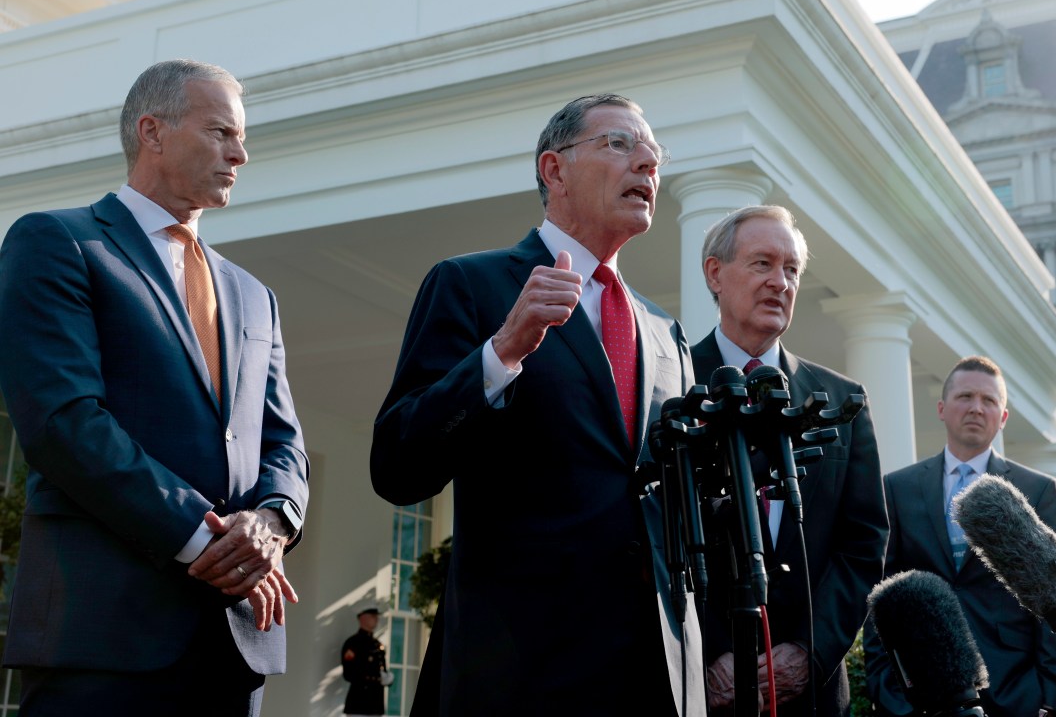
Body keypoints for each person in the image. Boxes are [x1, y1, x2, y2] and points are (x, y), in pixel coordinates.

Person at [371, 94, 703, 716]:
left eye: (654, 155)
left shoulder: (665, 332)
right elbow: (397, 463)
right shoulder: (472, 284)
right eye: (620, 144)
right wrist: (500, 354)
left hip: (653, 672)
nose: (647, 166)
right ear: (554, 170)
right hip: (519, 666)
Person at [0, 59, 309, 716]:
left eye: (242, 137)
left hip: (234, 649)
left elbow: (284, 447)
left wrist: (268, 524)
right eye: (223, 132)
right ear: (152, 131)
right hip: (103, 639)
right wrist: (207, 543)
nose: (241, 153)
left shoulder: (256, 298)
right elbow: (64, 423)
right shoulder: (58, 243)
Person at [692, 205, 888, 715]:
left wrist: (808, 650)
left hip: (813, 694)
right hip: (695, 683)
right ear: (715, 272)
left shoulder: (842, 400)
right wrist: (707, 654)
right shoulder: (669, 384)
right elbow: (645, 537)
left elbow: (864, 543)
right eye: (762, 264)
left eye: (792, 270)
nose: (780, 282)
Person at [863, 356, 1056, 717]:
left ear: (1003, 417)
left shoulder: (1037, 490)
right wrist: (888, 692)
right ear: (942, 409)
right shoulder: (897, 488)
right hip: (924, 694)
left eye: (990, 401)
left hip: (1014, 690)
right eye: (965, 397)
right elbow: (881, 597)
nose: (977, 408)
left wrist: (1051, 698)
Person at [342, 607, 393, 716]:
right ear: (362, 617)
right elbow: (348, 674)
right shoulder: (353, 643)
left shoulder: (377, 644)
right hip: (358, 702)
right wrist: (371, 676)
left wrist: (386, 677)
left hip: (376, 704)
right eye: (372, 616)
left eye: (376, 616)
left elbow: (381, 668)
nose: (376, 619)